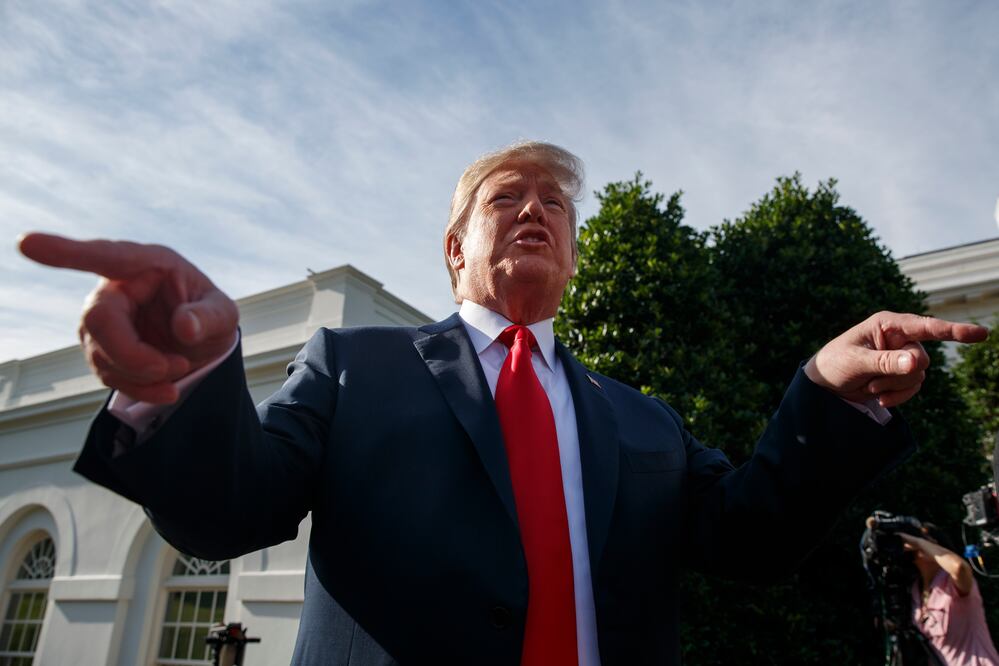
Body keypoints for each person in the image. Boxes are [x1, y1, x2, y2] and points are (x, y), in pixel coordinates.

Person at [17, 141, 988, 665]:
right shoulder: (353, 365)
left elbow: (751, 539)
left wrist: (822, 395)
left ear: (572, 252)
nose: (534, 210)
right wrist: (186, 380)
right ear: (454, 251)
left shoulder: (642, 418)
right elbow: (229, 512)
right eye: (505, 197)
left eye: (554, 204)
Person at [901, 529, 999, 665]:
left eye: (926, 539)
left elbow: (959, 568)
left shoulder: (951, 582)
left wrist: (918, 542)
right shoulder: (915, 591)